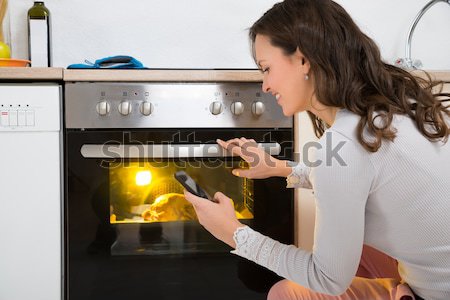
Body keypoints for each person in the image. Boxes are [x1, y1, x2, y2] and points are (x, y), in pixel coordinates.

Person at [184, 0, 450, 299]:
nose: (266, 85)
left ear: (303, 60)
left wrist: (233, 233)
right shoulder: (395, 105)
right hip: (429, 275)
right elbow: (369, 178)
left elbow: (327, 280)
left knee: (286, 293)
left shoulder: (344, 143)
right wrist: (281, 168)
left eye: (266, 68)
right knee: (350, 247)